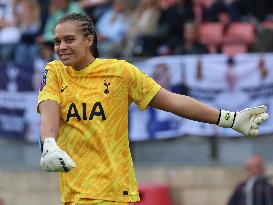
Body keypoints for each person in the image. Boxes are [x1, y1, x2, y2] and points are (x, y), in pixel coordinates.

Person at [37, 13, 269, 205]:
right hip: (72, 195)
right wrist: (49, 143)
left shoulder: (120, 72)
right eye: (57, 41)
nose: (61, 47)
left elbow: (173, 101)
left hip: (111, 190)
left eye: (69, 39)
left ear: (89, 40)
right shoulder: (55, 72)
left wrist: (230, 119)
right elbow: (49, 109)